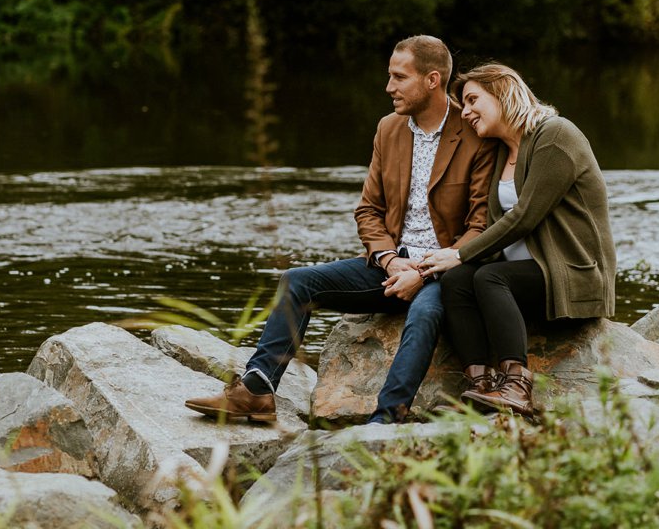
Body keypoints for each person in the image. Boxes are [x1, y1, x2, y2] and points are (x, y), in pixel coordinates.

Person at [185, 35, 496, 424]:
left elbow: (481, 225)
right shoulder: (389, 128)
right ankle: (258, 390)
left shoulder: (474, 133)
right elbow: (369, 210)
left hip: (443, 273)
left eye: (399, 78)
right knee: (297, 281)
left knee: (425, 314)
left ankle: (385, 420)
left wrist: (422, 271)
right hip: (390, 265)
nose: (389, 87)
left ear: (432, 80)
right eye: (389, 76)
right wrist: (389, 260)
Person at [416, 63, 616, 417]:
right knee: (459, 280)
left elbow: (524, 217)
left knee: (486, 275)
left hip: (574, 275)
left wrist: (459, 253)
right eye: (464, 104)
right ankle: (480, 384)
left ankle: (517, 387)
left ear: (504, 91)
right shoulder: (498, 152)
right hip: (525, 275)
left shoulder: (554, 135)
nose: (468, 111)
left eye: (474, 99)